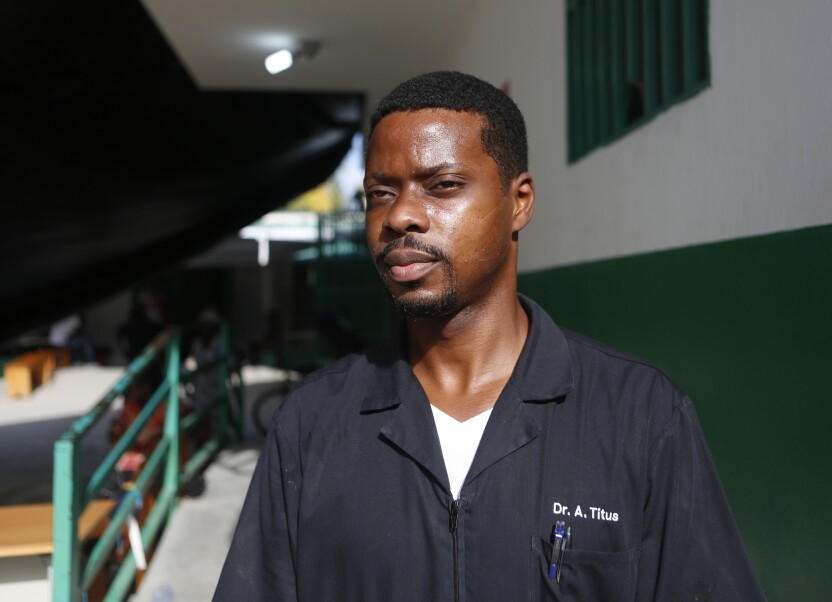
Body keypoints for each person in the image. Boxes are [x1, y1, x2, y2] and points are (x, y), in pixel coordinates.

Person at [215, 72, 766, 601]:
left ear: (518, 202)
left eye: (443, 185)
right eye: (380, 193)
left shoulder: (641, 416)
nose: (402, 214)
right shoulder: (312, 424)